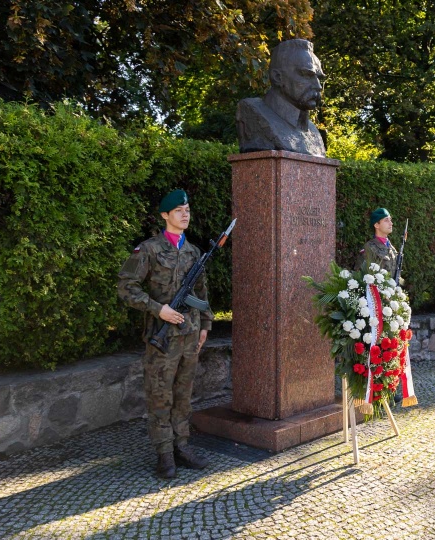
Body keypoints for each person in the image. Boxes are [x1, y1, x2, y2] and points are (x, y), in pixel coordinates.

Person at [117, 189, 213, 479]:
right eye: (179, 210)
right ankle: (164, 454)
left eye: (187, 209)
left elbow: (202, 292)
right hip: (162, 337)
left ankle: (182, 447)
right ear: (165, 215)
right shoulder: (148, 250)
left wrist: (206, 324)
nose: (186, 214)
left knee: (183, 395)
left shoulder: (194, 251)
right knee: (160, 396)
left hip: (190, 335)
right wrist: (158, 309)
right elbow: (126, 288)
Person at [236, 39, 327, 156]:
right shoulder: (251, 111)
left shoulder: (312, 131)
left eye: (318, 77)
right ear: (277, 77)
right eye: (307, 75)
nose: (318, 86)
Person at [356, 208, 398, 276]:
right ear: (376, 225)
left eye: (390, 220)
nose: (391, 223)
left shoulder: (392, 249)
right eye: (386, 220)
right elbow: (360, 275)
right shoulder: (369, 247)